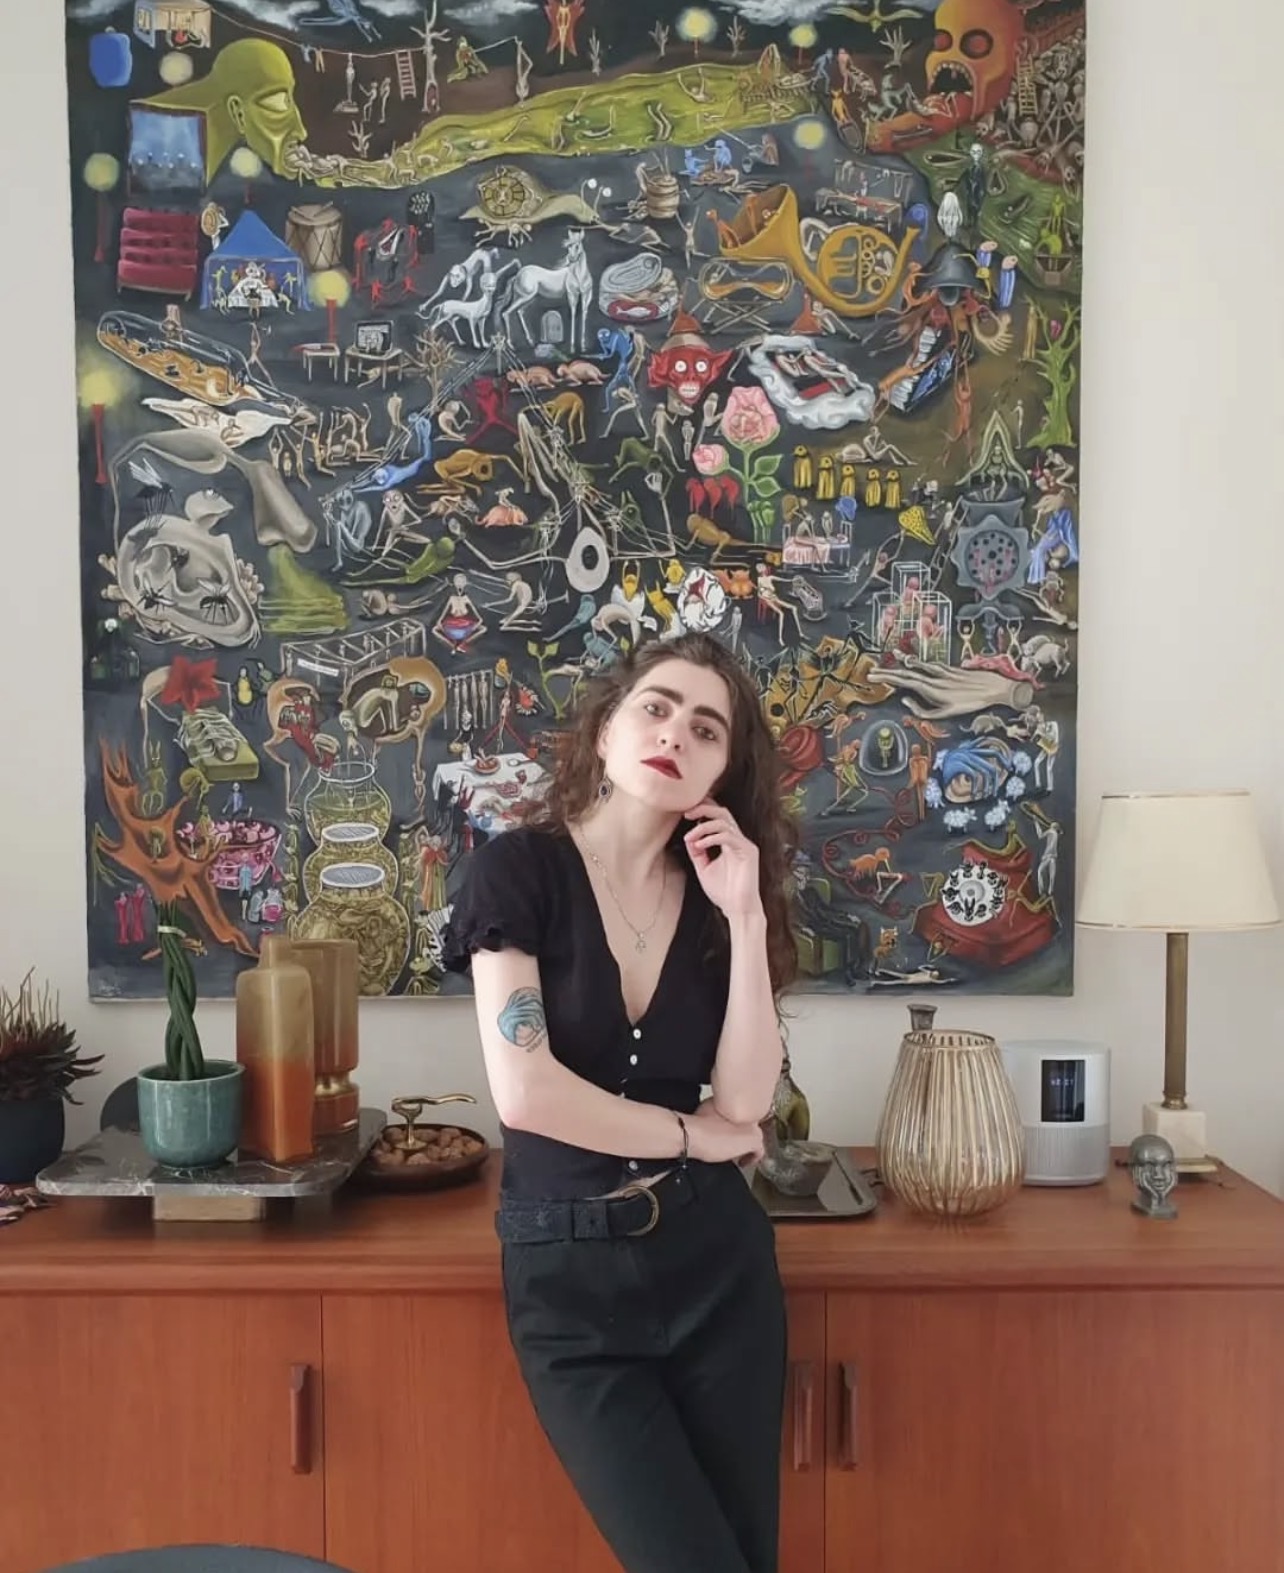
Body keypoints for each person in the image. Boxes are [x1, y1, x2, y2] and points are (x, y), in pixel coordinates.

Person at [441, 631, 800, 1573]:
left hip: (717, 1270)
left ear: (722, 772)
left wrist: (748, 914)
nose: (676, 732)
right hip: (570, 1285)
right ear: (606, 731)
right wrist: (695, 1135)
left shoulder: (719, 902)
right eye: (656, 707)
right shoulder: (518, 871)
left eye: (707, 728)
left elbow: (746, 1098)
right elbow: (527, 1092)